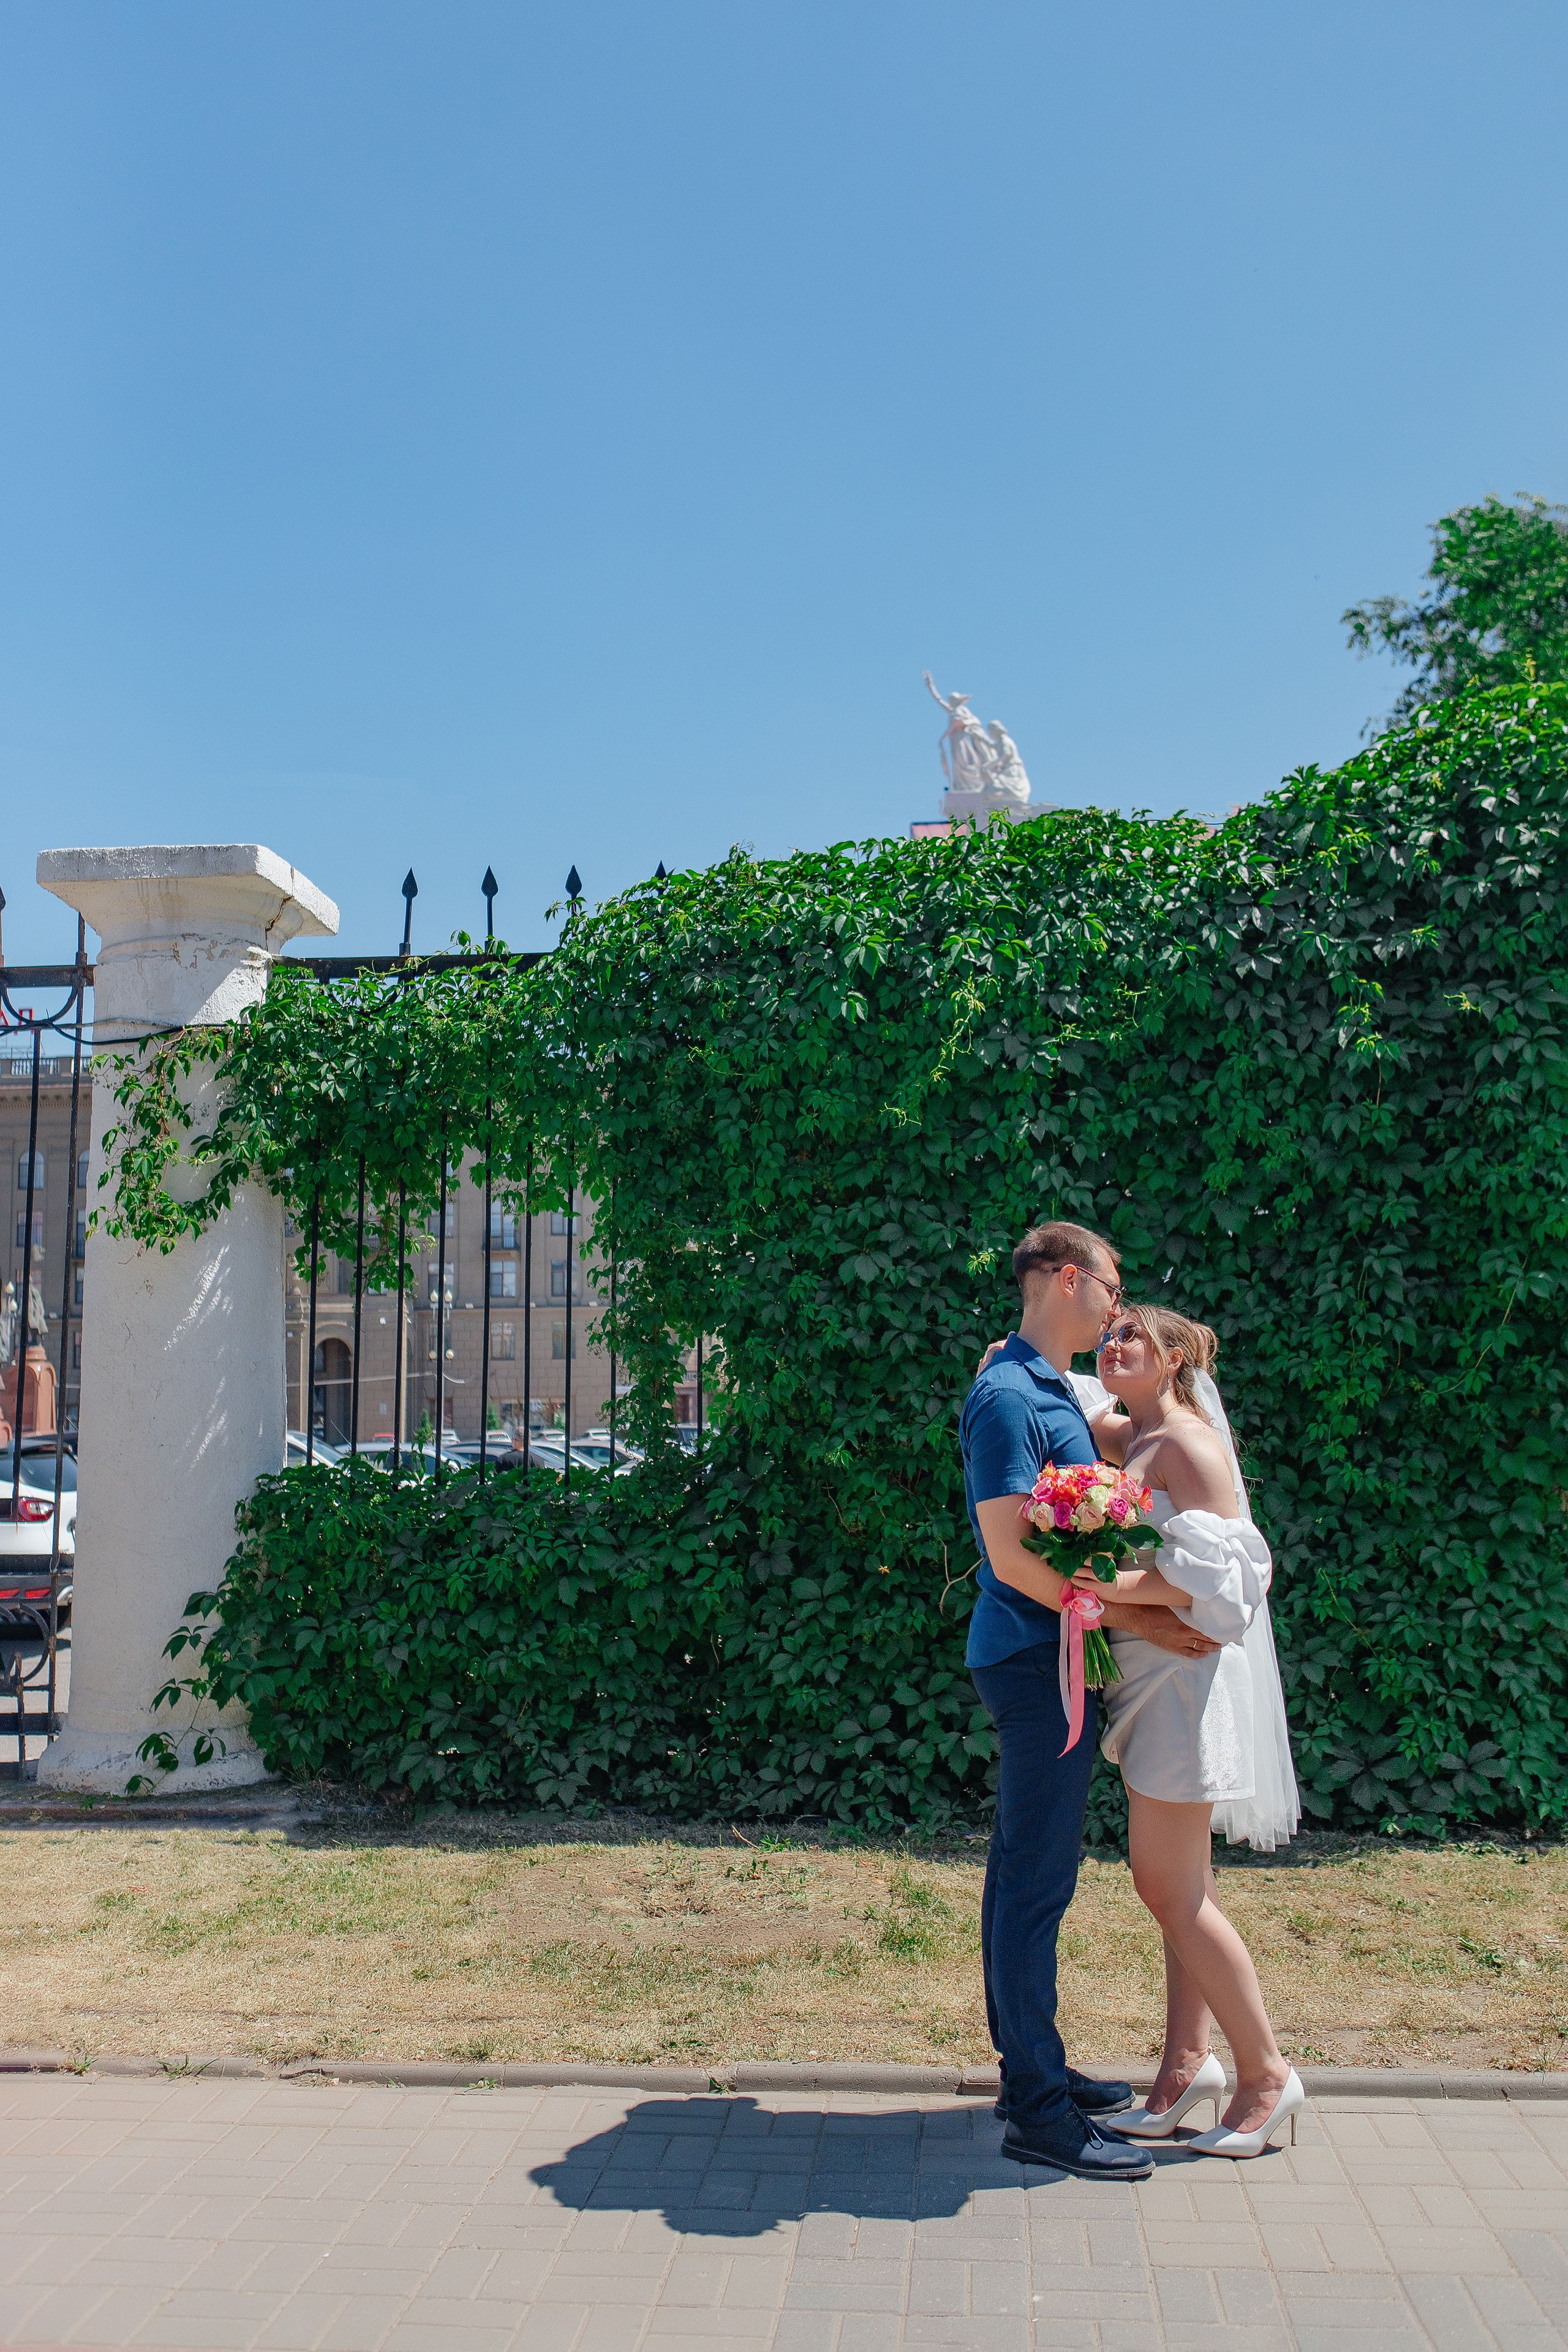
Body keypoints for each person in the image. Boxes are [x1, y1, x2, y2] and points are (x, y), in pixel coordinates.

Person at [960, 1220, 1223, 2181]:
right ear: (1070, 1279)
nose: (1118, 1306)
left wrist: (1139, 1616)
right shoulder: (1004, 1397)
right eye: (1110, 1289)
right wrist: (1149, 1623)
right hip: (1035, 1661)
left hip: (1059, 1650)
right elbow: (1010, 1556)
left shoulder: (1041, 1386)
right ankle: (1037, 2108)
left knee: (1025, 1874)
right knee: (1036, 1883)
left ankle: (1034, 2071)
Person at [1074, 1303, 1304, 2158]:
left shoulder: (1188, 1444)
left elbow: (1230, 1575)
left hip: (1183, 1681)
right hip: (1145, 1675)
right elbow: (1059, 1391)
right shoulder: (1129, 1437)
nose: (1112, 1344)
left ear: (1174, 1361)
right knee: (1186, 1892)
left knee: (1168, 1891)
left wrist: (1101, 1583)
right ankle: (1184, 2069)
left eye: (1131, 1335)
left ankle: (1267, 2076)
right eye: (1107, 1335)